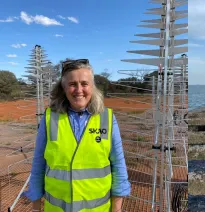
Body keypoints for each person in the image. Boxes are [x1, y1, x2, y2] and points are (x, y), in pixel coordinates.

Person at [23, 59, 131, 212]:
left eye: (84, 84)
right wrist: (35, 208)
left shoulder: (107, 118)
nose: (79, 90)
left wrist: (117, 209)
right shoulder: (50, 118)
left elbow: (118, 166)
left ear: (92, 87)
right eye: (72, 84)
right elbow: (38, 164)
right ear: (63, 87)